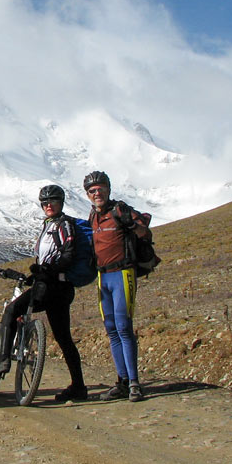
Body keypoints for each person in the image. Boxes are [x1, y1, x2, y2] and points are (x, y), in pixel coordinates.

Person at [0, 184, 88, 402]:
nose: (48, 206)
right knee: (64, 338)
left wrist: (47, 271)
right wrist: (37, 274)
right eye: (44, 203)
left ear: (61, 203)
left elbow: (68, 255)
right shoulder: (49, 225)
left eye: (52, 201)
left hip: (53, 287)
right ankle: (79, 386)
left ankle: (2, 360)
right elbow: (48, 259)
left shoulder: (64, 225)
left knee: (12, 309)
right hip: (55, 287)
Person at [84, 170, 152, 402]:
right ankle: (122, 381)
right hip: (104, 278)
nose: (97, 193)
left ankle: (134, 383)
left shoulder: (120, 210)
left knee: (124, 327)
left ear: (108, 189)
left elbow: (145, 231)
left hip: (123, 273)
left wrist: (133, 226)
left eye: (100, 188)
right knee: (112, 329)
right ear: (87, 195)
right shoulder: (93, 217)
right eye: (92, 191)